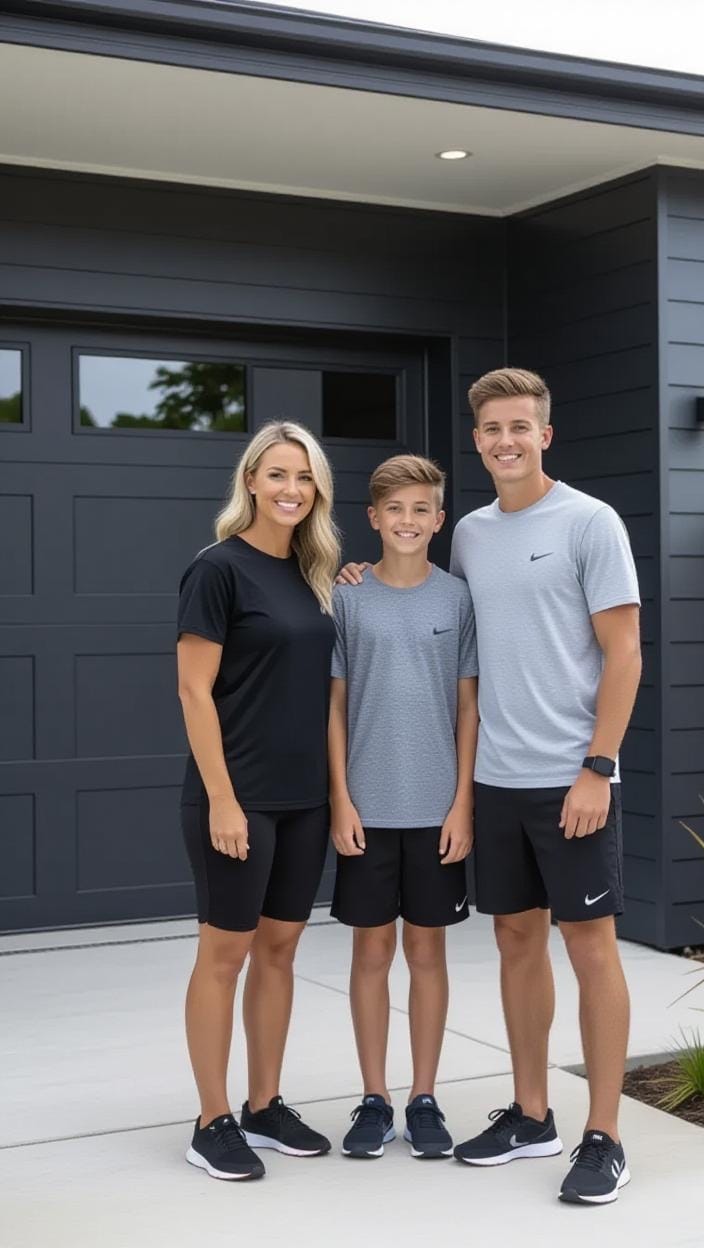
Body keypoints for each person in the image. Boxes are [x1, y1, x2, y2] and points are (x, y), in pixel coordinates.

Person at [339, 369, 641, 1205]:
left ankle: (605, 1133)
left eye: (520, 426)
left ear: (545, 433)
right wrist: (363, 575)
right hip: (496, 778)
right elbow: (422, 598)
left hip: (571, 778)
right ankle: (532, 1111)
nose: (505, 440)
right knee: (515, 942)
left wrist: (598, 766)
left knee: (591, 949)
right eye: (490, 429)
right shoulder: (466, 533)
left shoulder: (589, 522)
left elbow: (626, 653)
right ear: (476, 441)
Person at [176, 420, 340, 1181]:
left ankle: (263, 1104)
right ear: (250, 480)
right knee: (225, 955)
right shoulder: (218, 569)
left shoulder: (313, 575)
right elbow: (193, 690)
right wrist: (221, 799)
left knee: (279, 951)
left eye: (303, 478)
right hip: (235, 799)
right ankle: (211, 1120)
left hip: (303, 800)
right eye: (277, 474)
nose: (290, 489)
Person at [329, 454, 479, 1160]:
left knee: (427, 952)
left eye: (422, 510)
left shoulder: (457, 599)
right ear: (373, 518)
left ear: (438, 519)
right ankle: (373, 1098)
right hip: (366, 806)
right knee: (370, 951)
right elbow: (333, 708)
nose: (408, 521)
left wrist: (462, 805)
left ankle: (423, 1096)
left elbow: (469, 707)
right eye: (396, 510)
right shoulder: (348, 598)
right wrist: (340, 799)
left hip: (434, 810)